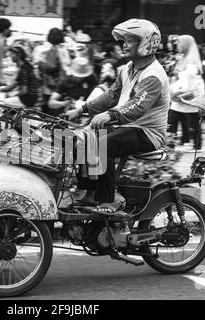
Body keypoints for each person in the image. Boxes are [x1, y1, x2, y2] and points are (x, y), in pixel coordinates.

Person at [66, 19, 170, 213]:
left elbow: (138, 106)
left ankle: (109, 199)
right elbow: (110, 95)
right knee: (82, 140)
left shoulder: (154, 75)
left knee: (102, 146)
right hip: (125, 126)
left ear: (146, 43)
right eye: (124, 40)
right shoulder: (128, 68)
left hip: (147, 132)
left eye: (130, 40)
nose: (124, 44)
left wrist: (110, 116)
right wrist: (81, 110)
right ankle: (89, 193)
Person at [168, 35, 205, 150]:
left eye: (180, 44)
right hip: (181, 96)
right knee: (174, 118)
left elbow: (191, 74)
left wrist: (178, 75)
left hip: (187, 95)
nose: (177, 46)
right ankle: (171, 142)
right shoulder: (183, 58)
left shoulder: (191, 59)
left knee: (179, 119)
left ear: (186, 45)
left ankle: (195, 144)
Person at [38, 27, 72, 116]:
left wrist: (41, 65)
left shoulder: (50, 50)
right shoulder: (65, 49)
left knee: (48, 115)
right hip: (63, 86)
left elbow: (50, 69)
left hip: (50, 87)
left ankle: (44, 129)